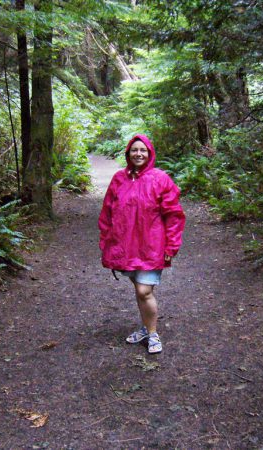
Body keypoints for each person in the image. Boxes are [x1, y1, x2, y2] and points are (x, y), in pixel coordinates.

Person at [98, 134, 185, 354]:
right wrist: (107, 242)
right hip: (126, 247)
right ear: (128, 154)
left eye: (143, 150)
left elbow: (174, 216)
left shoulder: (161, 179)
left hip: (152, 247)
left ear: (150, 153)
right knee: (139, 290)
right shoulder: (119, 179)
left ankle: (153, 334)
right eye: (134, 150)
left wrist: (171, 246)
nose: (139, 154)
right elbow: (107, 212)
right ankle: (146, 328)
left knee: (145, 291)